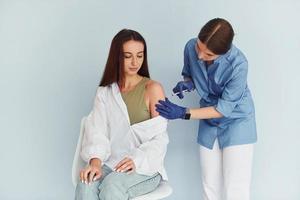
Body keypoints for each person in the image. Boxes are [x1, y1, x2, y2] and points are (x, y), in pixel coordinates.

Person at [155, 18, 257, 200]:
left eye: (208, 54)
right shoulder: (190, 47)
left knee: (236, 190)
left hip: (237, 121)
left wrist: (183, 112)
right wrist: (188, 84)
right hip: (208, 122)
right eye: (199, 48)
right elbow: (193, 74)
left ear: (223, 53)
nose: (200, 56)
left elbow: (222, 109)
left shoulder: (239, 65)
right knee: (209, 187)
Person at [75, 29, 169, 200]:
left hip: (145, 167)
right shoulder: (105, 92)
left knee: (112, 186)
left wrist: (137, 160)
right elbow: (97, 131)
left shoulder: (153, 89)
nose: (135, 62)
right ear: (117, 57)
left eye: (140, 56)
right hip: (111, 163)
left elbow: (160, 139)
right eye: (128, 56)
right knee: (86, 183)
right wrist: (95, 163)